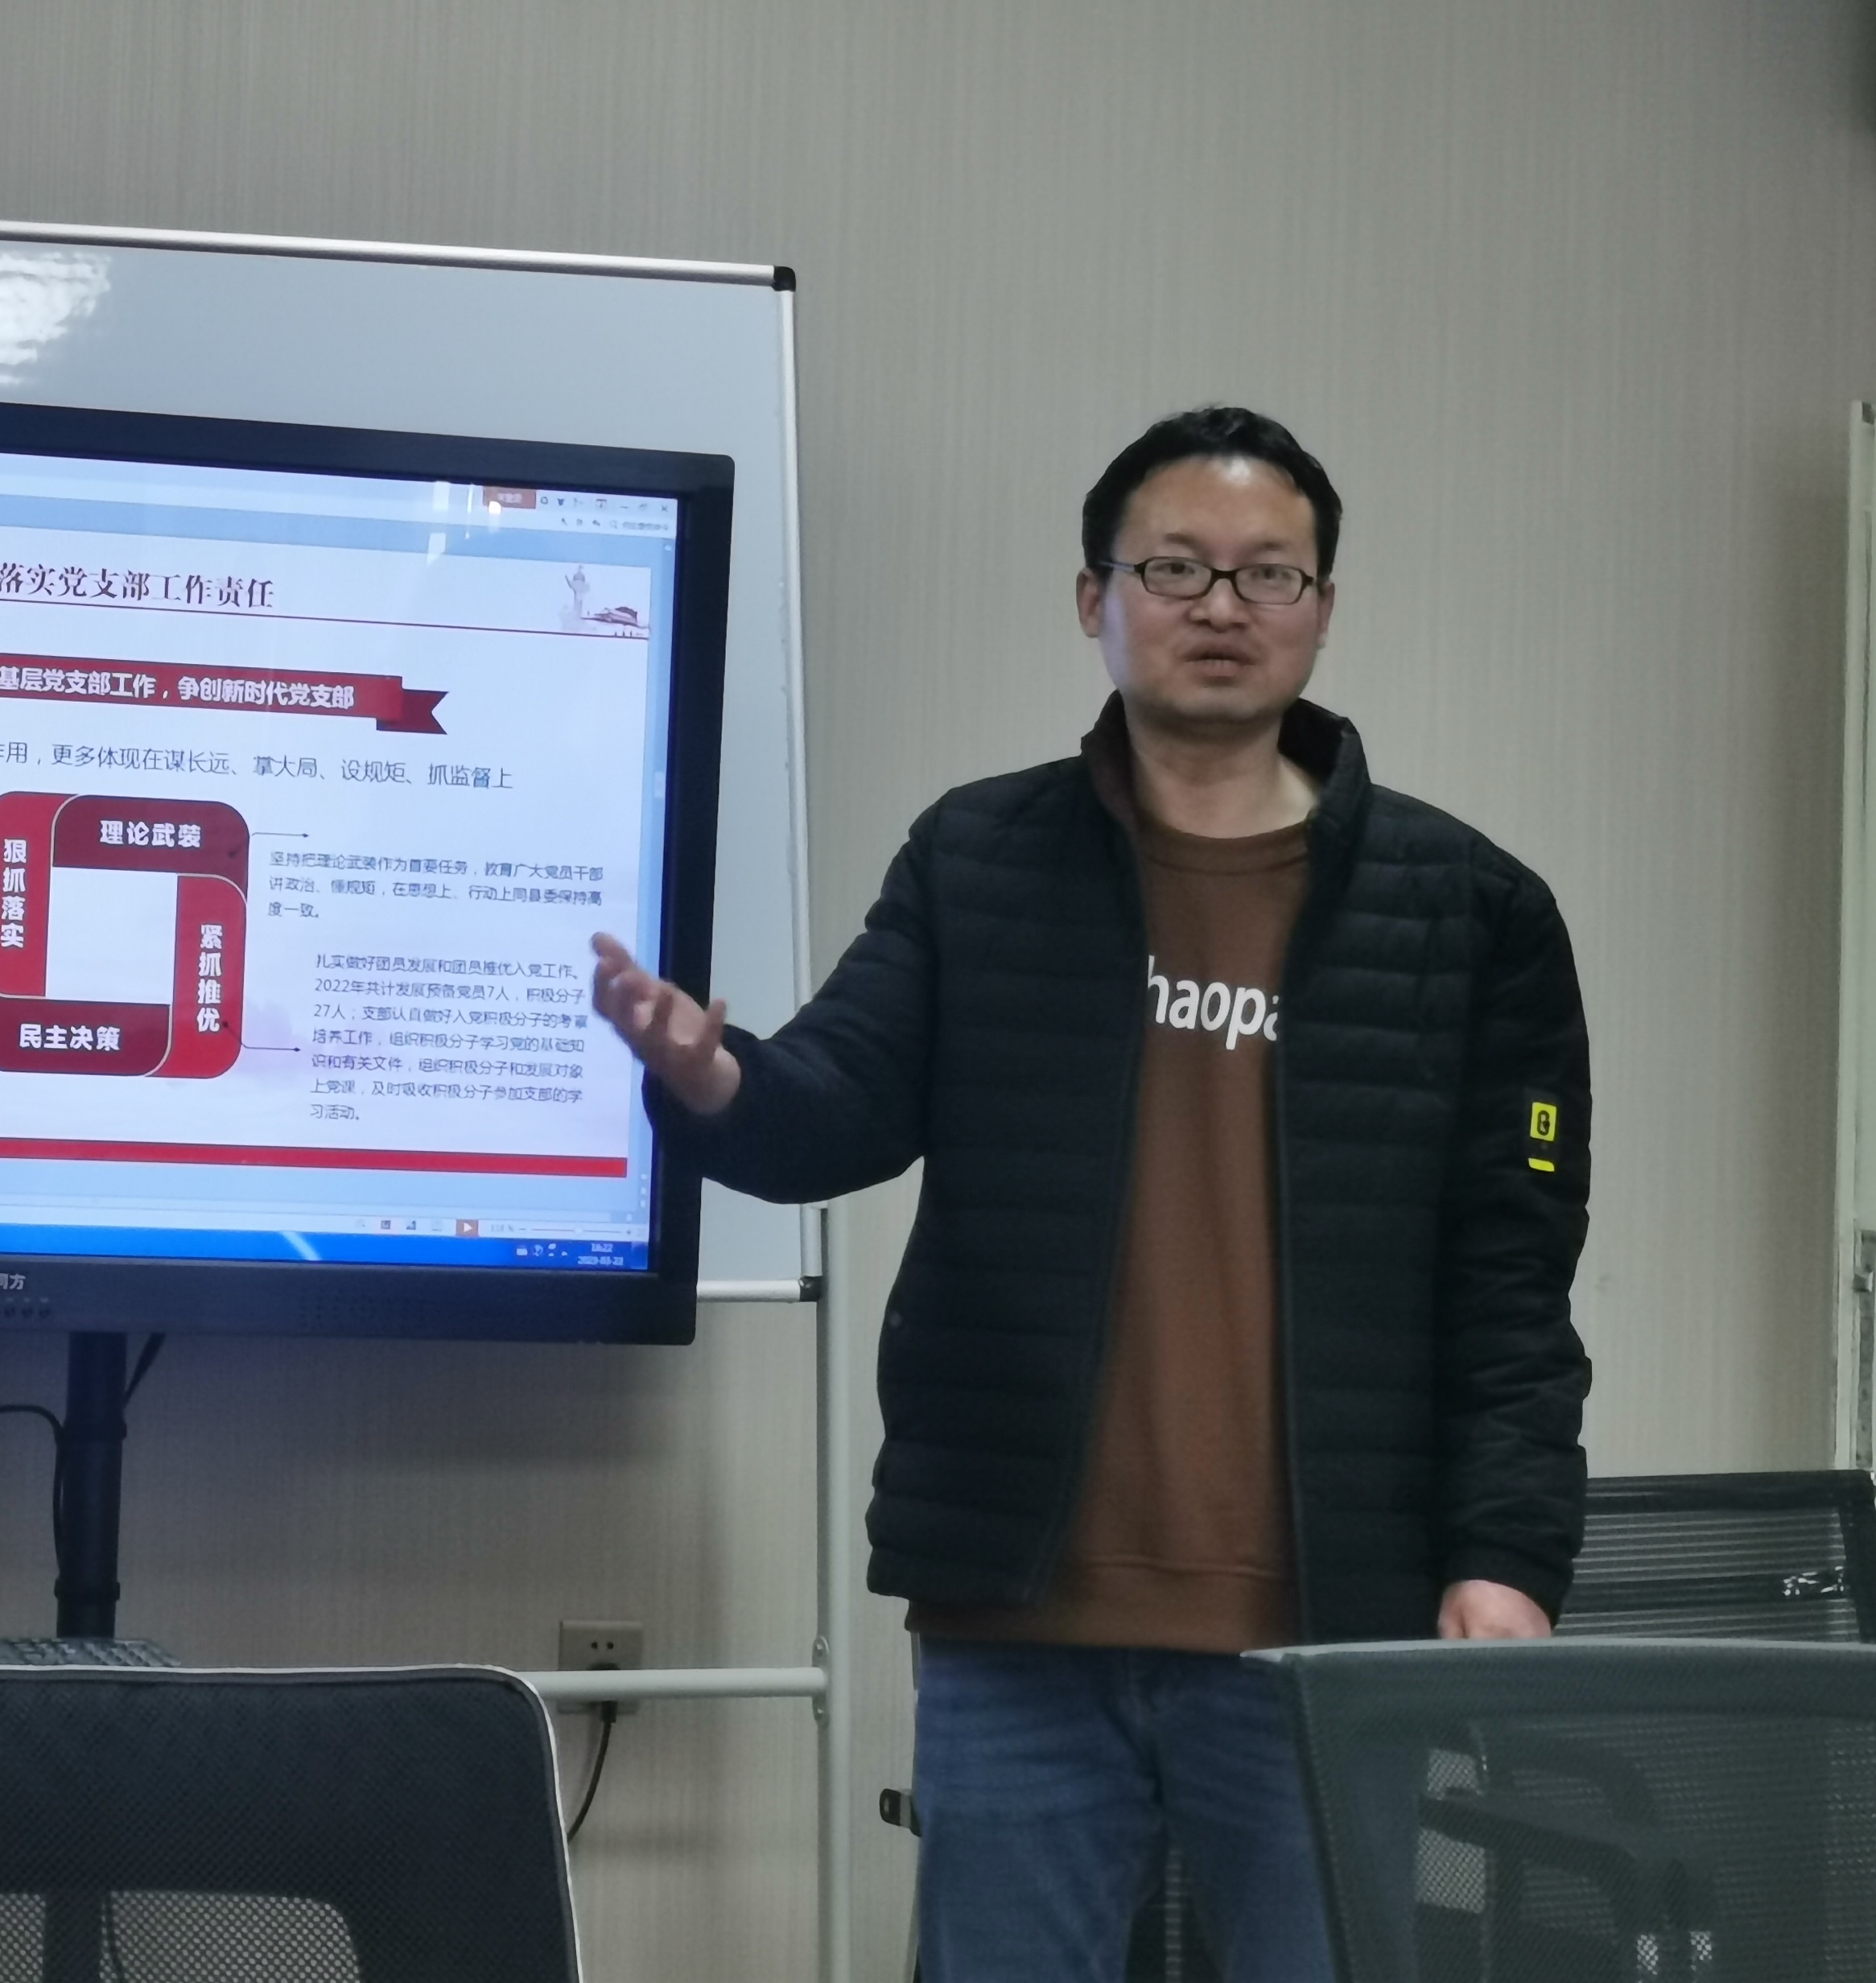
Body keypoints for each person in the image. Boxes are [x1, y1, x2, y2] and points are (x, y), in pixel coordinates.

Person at [592, 407, 1591, 1980]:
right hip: (1023, 1623)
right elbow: (832, 1111)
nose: (1222, 605)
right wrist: (711, 1076)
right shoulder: (979, 859)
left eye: (1269, 574)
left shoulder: (1472, 912)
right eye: (1175, 567)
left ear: (1324, 609)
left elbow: (1511, 1285)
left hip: (1333, 1632)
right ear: (1094, 599)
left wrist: (1505, 1557)